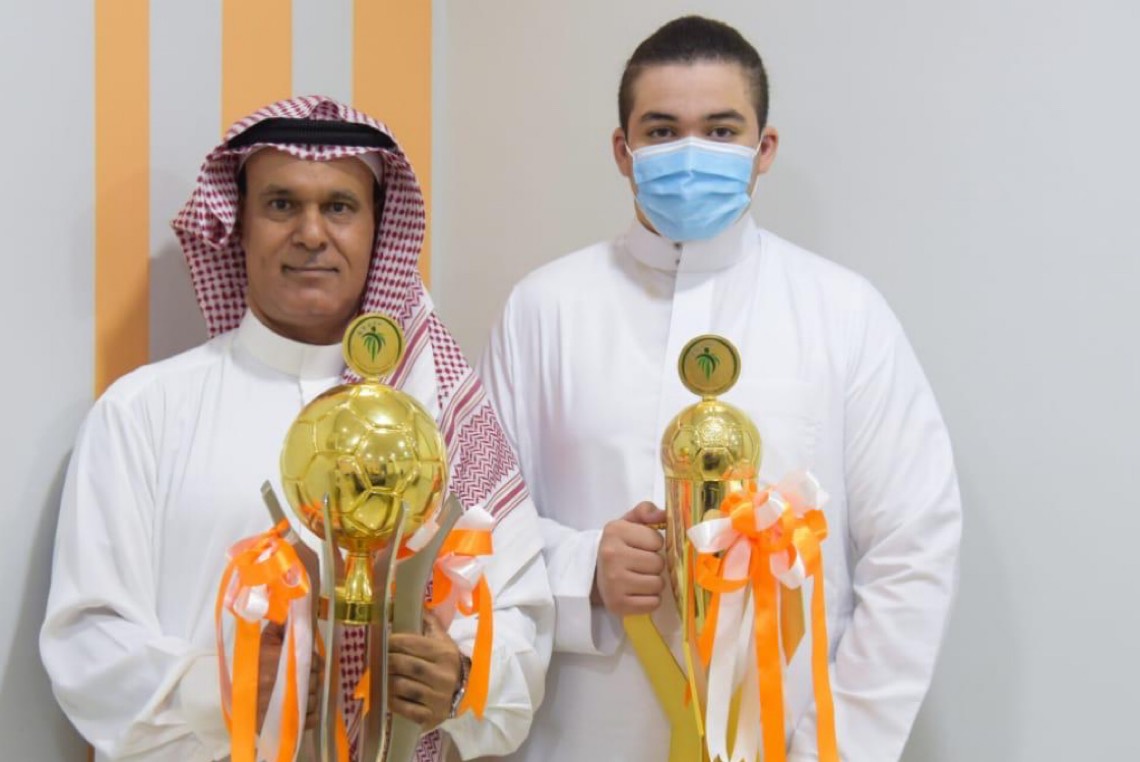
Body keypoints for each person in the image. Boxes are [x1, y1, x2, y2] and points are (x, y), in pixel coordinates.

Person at [478, 16, 962, 762]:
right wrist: (586, 568)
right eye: (663, 131)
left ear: (763, 149)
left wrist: (836, 749)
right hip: (582, 735)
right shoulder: (543, 310)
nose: (691, 153)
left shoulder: (843, 312)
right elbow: (481, 528)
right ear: (623, 150)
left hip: (789, 738)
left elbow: (913, 545)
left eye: (721, 130)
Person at [41, 95, 552, 762]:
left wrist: (461, 681)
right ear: (239, 226)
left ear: (378, 230)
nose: (311, 234)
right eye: (281, 205)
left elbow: (521, 620)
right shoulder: (144, 412)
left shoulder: (440, 410)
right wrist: (218, 691)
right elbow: (86, 639)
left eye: (339, 207)